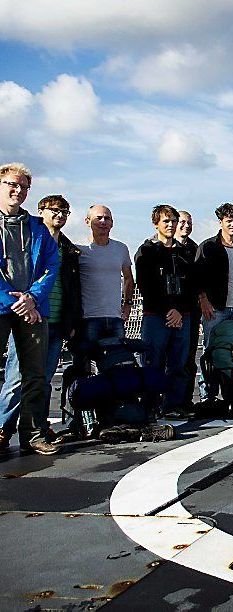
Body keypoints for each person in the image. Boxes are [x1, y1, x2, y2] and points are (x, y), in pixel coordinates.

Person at [1, 195, 82, 444]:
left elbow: (71, 287)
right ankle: (4, 427)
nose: (60, 215)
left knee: (42, 379)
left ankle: (36, 428)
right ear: (41, 211)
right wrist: (26, 303)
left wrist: (71, 322)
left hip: (53, 318)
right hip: (25, 311)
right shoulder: (31, 234)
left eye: (65, 212)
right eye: (55, 210)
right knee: (15, 378)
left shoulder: (70, 250)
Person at [0, 163, 60, 454]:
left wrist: (33, 298)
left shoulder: (37, 227)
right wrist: (16, 302)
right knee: (9, 377)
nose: (18, 190)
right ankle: (1, 429)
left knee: (35, 373)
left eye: (23, 186)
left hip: (34, 308)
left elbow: (51, 265)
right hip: (5, 307)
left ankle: (33, 434)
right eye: (12, 184)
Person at [134, 204, 197, 416]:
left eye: (173, 221)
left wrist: (179, 310)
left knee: (179, 364)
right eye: (166, 221)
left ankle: (174, 405)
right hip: (156, 316)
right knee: (153, 362)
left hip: (183, 316)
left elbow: (192, 285)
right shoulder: (146, 251)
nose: (171, 225)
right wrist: (168, 310)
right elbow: (146, 286)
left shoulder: (186, 252)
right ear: (156, 224)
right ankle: (150, 406)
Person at [195, 203, 233, 347]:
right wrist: (204, 301)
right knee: (210, 347)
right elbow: (198, 278)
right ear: (220, 222)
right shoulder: (207, 247)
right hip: (215, 309)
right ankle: (208, 371)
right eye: (229, 221)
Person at [78, 204, 134, 346]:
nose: (103, 222)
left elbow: (128, 277)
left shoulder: (121, 248)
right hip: (87, 318)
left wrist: (127, 304)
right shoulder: (78, 249)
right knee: (85, 363)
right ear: (87, 221)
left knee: (117, 363)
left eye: (107, 218)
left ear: (112, 223)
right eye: (99, 218)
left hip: (115, 318)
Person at [176, 211, 200, 406]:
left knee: (188, 358)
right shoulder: (154, 247)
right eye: (182, 222)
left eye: (189, 222)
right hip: (166, 314)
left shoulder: (195, 249)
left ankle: (186, 400)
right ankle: (165, 401)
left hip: (191, 313)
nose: (186, 226)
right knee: (168, 359)